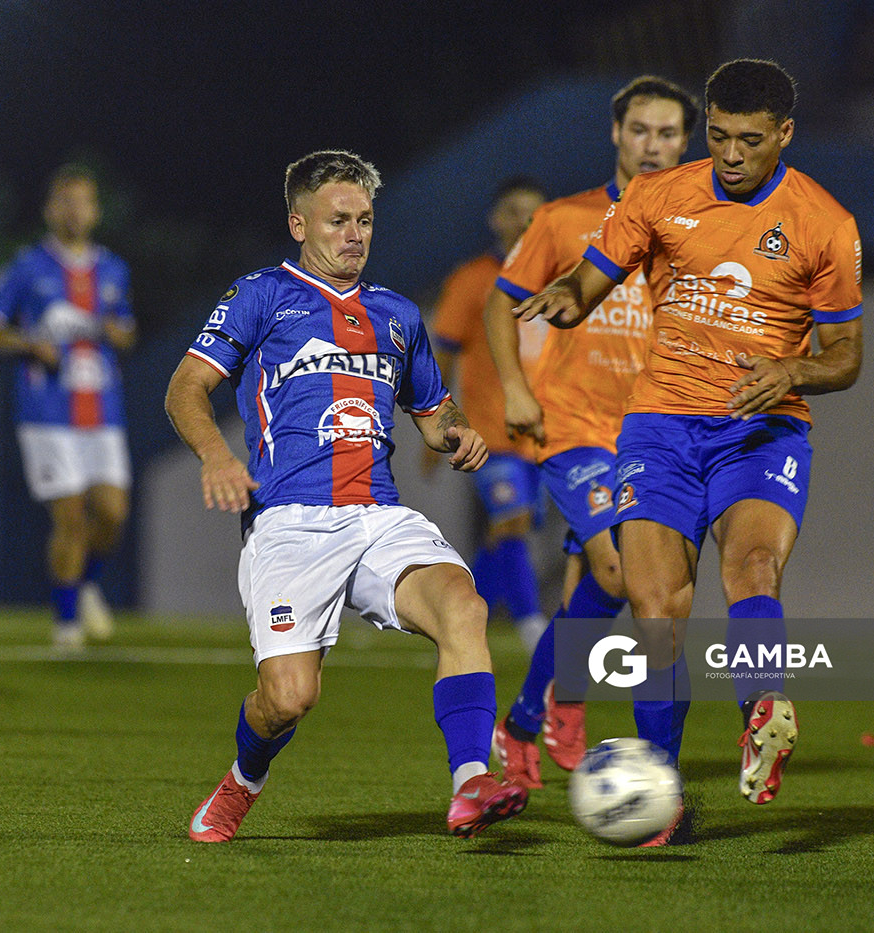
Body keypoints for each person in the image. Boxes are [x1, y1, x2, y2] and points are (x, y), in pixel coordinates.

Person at [514, 59, 864, 842]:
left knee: (752, 567)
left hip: (760, 426)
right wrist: (565, 300)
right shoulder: (660, 196)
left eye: (749, 139)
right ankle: (663, 796)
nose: (731, 154)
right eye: (718, 135)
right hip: (661, 427)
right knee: (655, 612)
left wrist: (794, 368)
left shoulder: (824, 223)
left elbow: (845, 354)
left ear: (785, 135)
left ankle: (762, 705)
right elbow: (590, 279)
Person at [165, 150, 528, 842]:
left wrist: (458, 433)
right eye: (338, 220)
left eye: (364, 220)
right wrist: (217, 455)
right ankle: (244, 778)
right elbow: (184, 387)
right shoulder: (261, 294)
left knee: (463, 603)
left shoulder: (395, 314)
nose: (355, 234)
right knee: (289, 699)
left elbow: (433, 408)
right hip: (289, 522)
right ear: (298, 222)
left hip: (378, 513)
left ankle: (471, 779)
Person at [483, 76, 698, 790]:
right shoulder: (565, 218)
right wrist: (515, 385)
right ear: (616, 133)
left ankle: (532, 714)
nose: (653, 146)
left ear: (686, 142)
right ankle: (562, 716)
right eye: (640, 130)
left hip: (657, 435)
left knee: (608, 590)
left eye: (668, 134)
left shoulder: (700, 229)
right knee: (615, 573)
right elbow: (500, 301)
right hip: (574, 426)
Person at [0, 165, 135, 654]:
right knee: (71, 519)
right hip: (46, 410)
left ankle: (83, 585)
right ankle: (65, 629)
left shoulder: (113, 269)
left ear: (96, 211)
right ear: (49, 209)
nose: (75, 210)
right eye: (66, 201)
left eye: (84, 201)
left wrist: (113, 331)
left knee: (113, 515)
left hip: (102, 409)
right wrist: (27, 344)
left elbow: (125, 328)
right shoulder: (27, 266)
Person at [426, 176, 548, 652]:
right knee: (513, 518)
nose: (525, 221)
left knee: (507, 530)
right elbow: (445, 356)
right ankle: (530, 622)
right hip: (490, 430)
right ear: (496, 219)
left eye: (535, 212)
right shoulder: (473, 279)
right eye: (515, 210)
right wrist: (437, 425)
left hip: (549, 433)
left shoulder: (563, 276)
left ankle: (462, 609)